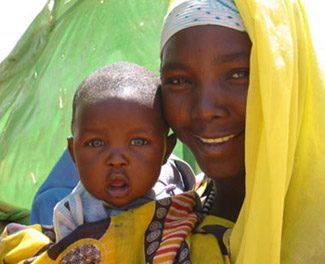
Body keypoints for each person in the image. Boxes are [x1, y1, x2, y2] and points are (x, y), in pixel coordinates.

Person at [1, 0, 324, 263]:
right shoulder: (183, 198)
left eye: (238, 74)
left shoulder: (312, 230)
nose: (205, 108)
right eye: (179, 80)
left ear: (284, 81)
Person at [52, 61, 198, 241]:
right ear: (73, 153)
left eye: (138, 141)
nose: (116, 160)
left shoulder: (178, 194)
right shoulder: (73, 215)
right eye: (96, 143)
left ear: (166, 151)